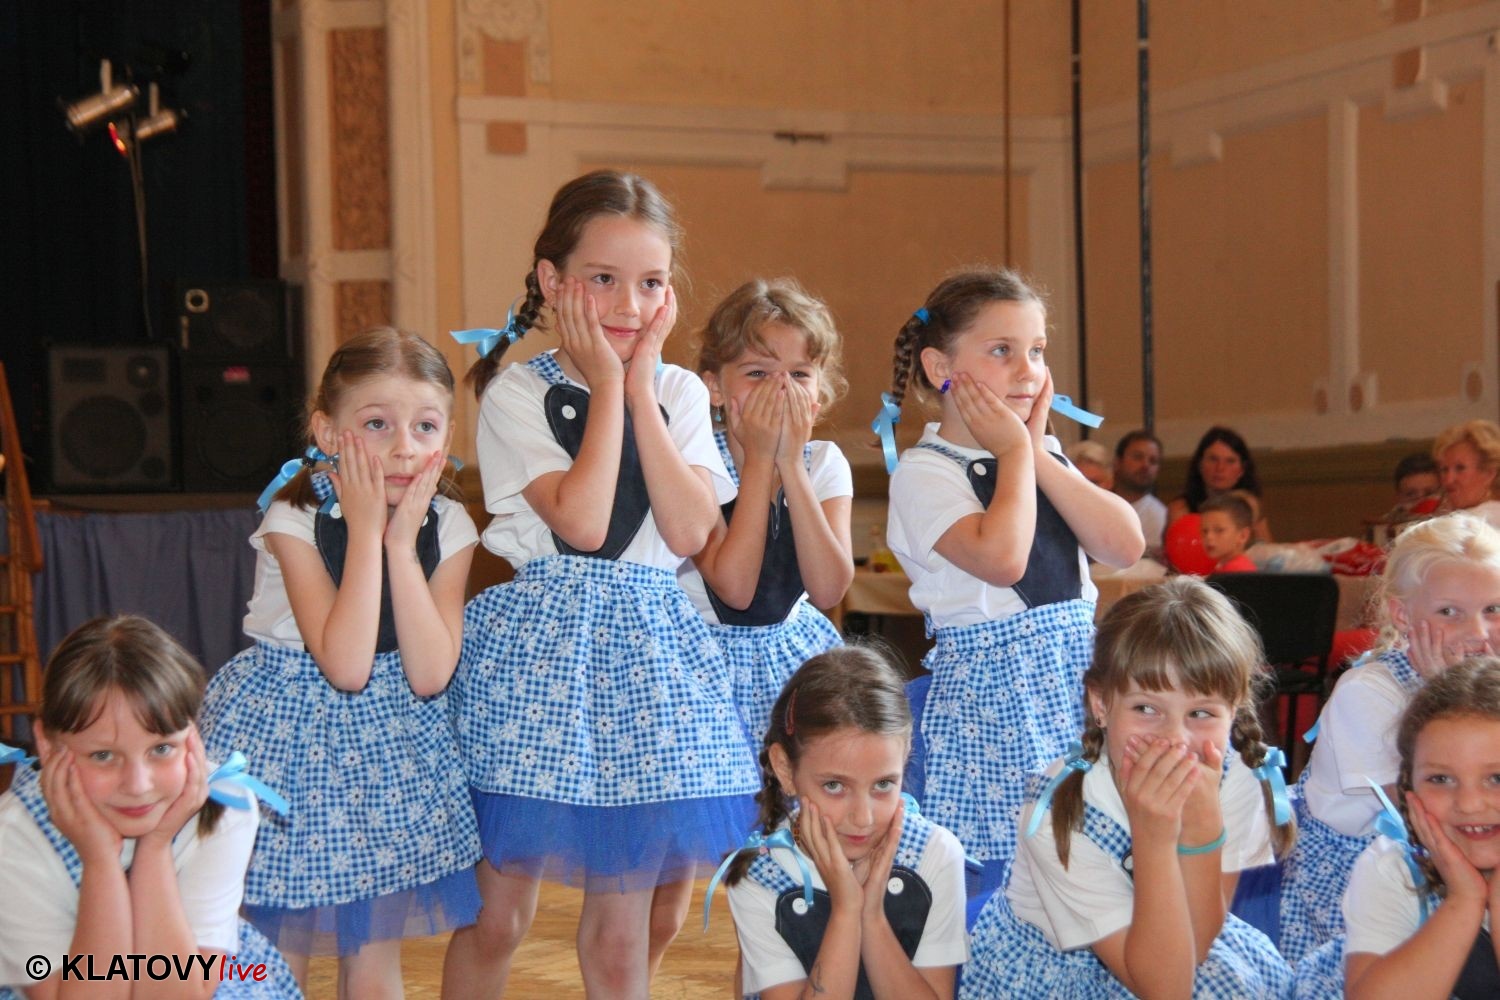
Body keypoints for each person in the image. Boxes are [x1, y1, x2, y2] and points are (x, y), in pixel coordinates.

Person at [443, 170, 759, 997]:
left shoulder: (679, 391)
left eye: (651, 283)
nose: (629, 304)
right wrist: (611, 386)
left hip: (652, 668)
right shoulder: (517, 393)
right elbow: (582, 524)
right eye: (604, 279)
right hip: (540, 665)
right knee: (497, 917)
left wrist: (639, 389)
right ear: (552, 282)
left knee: (624, 935)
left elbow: (690, 531)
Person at [200, 328, 482, 996]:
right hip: (288, 741)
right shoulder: (292, 515)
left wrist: (402, 547)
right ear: (327, 431)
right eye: (377, 424)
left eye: (425, 426)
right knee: (277, 953)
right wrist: (365, 530)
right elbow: (346, 664)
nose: (404, 447)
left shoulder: (449, 524)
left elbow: (429, 674)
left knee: (373, 955)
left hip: (390, 750)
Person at [881, 268, 1144, 889]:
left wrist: (1035, 452)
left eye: (1037, 351)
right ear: (941, 368)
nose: (1028, 371)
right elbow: (1003, 560)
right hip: (994, 700)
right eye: (1002, 351)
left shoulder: (1041, 456)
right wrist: (1016, 453)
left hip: (1075, 681)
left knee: (1090, 858)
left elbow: (1124, 544)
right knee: (1018, 866)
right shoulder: (925, 471)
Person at [961, 578, 1296, 999]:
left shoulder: (1236, 775)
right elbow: (1163, 988)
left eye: (1200, 713)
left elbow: (1196, 945)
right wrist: (1154, 835)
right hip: (1064, 971)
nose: (1174, 739)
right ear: (1101, 704)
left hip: (1177, 946)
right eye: (1146, 708)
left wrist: (1201, 829)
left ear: (1234, 710)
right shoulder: (1059, 812)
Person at [0, 615, 300, 999]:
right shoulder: (14, 836)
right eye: (103, 755)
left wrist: (155, 847)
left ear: (193, 734)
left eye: (161, 748)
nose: (138, 786)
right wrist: (100, 862)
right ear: (47, 745)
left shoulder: (226, 805)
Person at [1276, 512, 1500, 963]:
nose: (1478, 634)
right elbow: (1423, 810)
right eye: (1449, 612)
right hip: (1367, 879)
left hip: (1460, 852)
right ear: (1402, 614)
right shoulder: (1368, 691)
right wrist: (1441, 695)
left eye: (1493, 610)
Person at [712, 646, 968, 999]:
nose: (863, 819)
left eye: (883, 784)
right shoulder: (760, 876)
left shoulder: (935, 854)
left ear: (906, 755)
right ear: (785, 769)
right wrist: (846, 911)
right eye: (834, 786)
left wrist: (871, 917)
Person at [681, 277, 853, 748]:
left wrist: (791, 465)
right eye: (758, 373)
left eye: (799, 375)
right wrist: (759, 461)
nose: (780, 390)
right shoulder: (692, 462)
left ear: (817, 395)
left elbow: (829, 588)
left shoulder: (823, 463)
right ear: (715, 388)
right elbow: (735, 589)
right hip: (699, 666)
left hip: (793, 660)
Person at [1296, 656, 1500, 998]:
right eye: (1440, 779)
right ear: (1409, 786)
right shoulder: (1395, 869)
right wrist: (1465, 899)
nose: (1469, 804)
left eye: (1496, 778)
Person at [1167, 426, 1273, 542]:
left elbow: (1265, 549)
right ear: (1200, 464)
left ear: (1242, 470)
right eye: (1213, 459)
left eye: (1230, 461)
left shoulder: (1250, 506)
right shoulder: (1181, 509)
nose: (1220, 468)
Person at [1433, 419, 1500, 529]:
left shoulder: (1474, 524)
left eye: (1460, 468)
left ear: (1489, 473)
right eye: (1444, 469)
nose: (1449, 480)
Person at [1112, 429, 1166, 558]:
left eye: (1153, 461)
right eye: (1138, 457)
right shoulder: (1098, 503)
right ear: (1117, 462)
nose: (1145, 465)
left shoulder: (1160, 516)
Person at [1199, 493, 1257, 573]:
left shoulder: (1236, 571)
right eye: (1205, 531)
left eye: (1219, 530)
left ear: (1243, 535)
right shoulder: (1225, 568)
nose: (1209, 536)